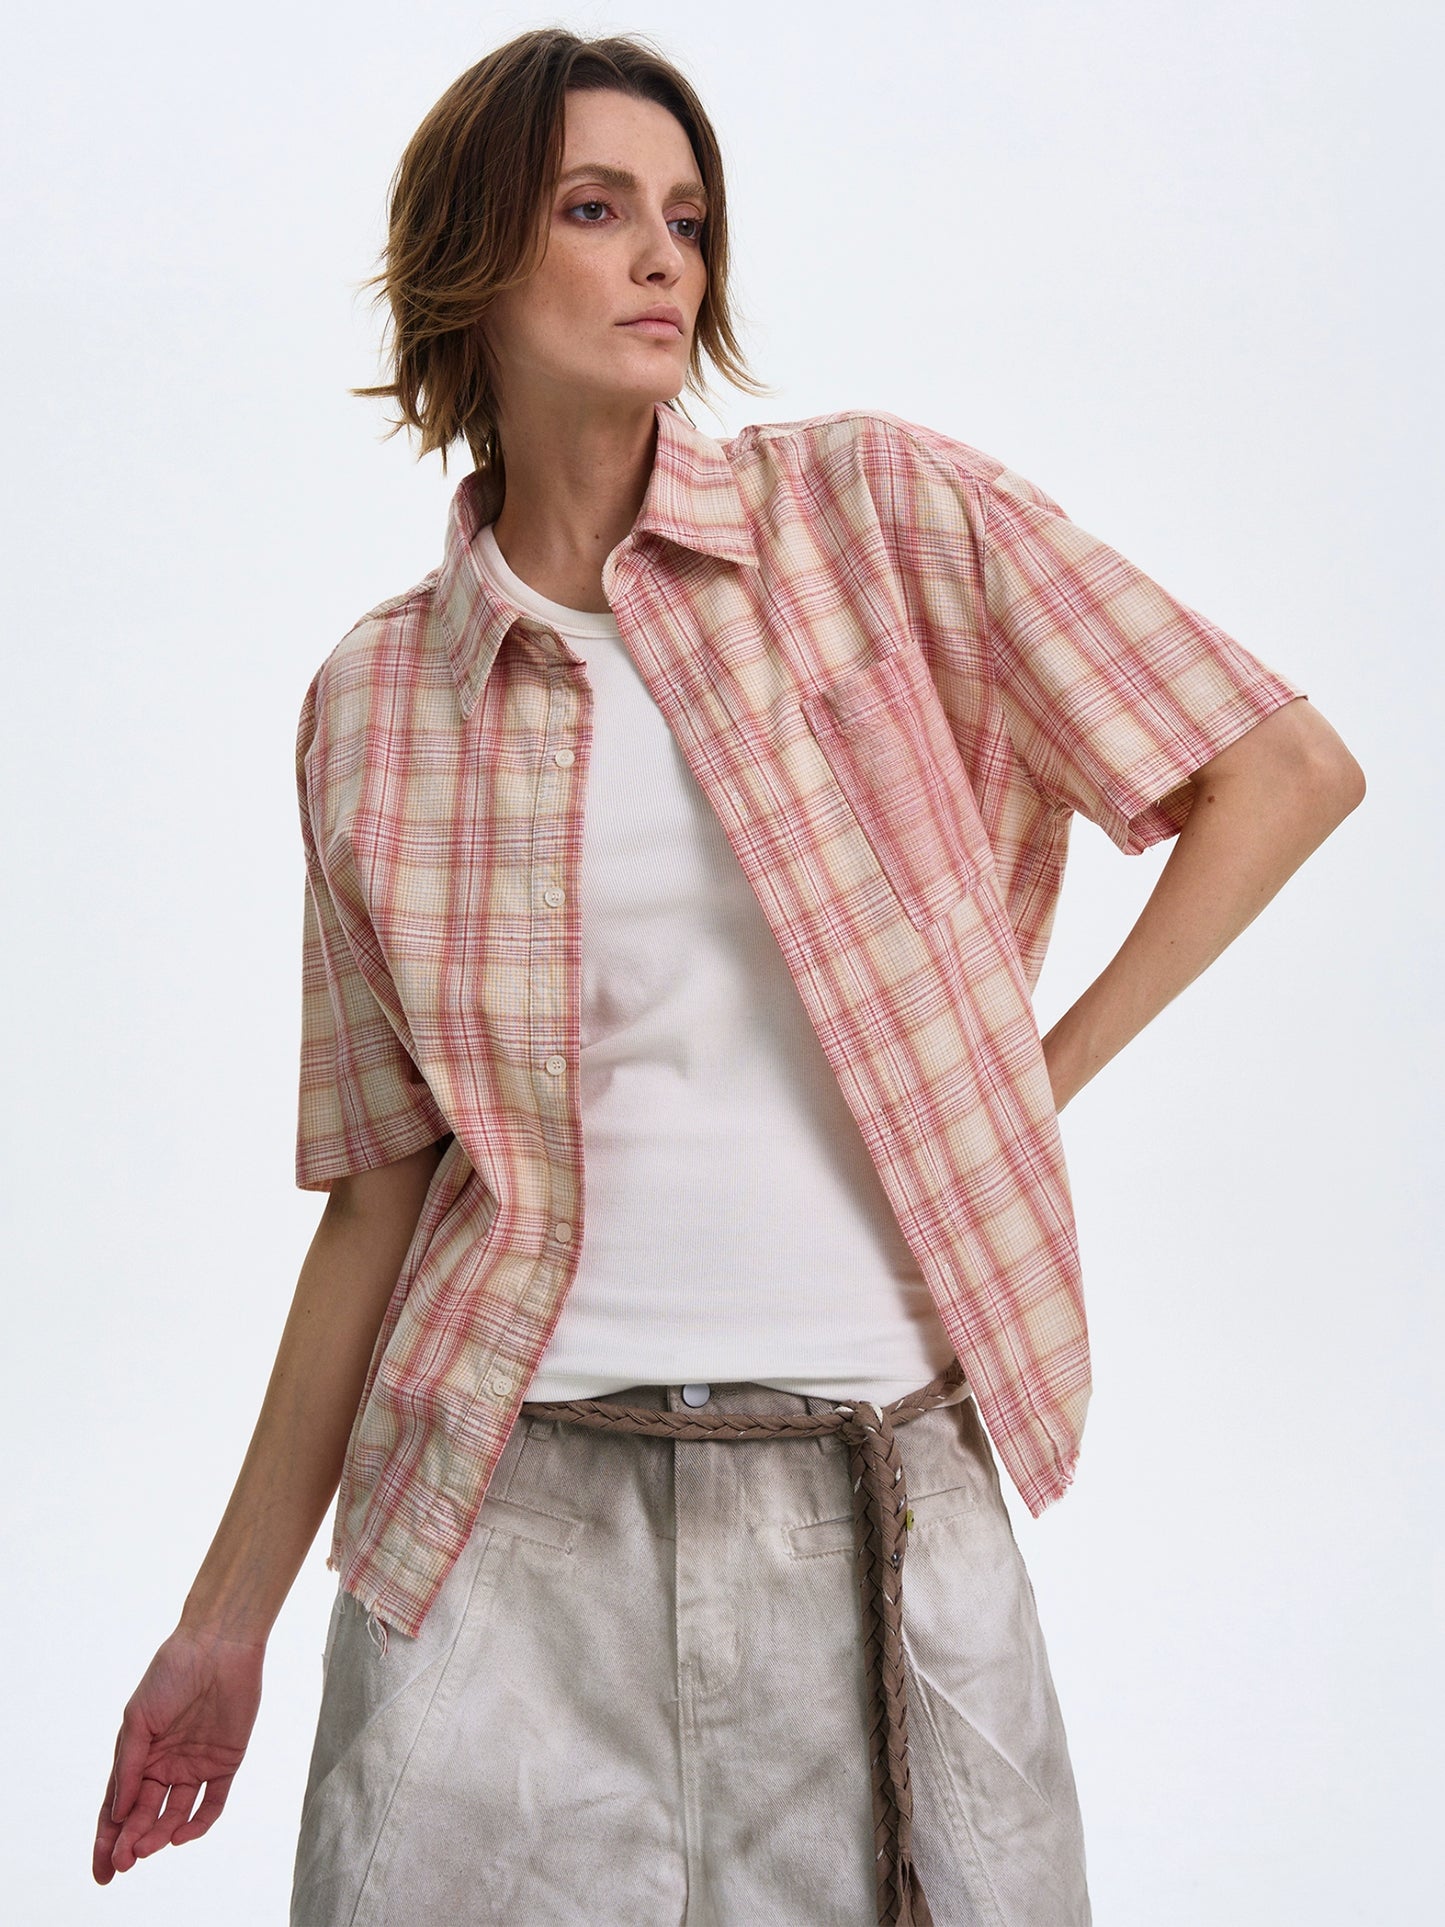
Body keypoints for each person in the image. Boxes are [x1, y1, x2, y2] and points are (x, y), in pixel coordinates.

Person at [92, 27, 1365, 1927]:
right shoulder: (375, 702)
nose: (659, 257)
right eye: (593, 209)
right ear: (469, 263)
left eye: (685, 218)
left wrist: (1021, 1084)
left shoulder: (875, 519)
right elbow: (372, 1207)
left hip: (874, 1509)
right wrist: (223, 1628)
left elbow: (1281, 771)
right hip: (501, 1532)